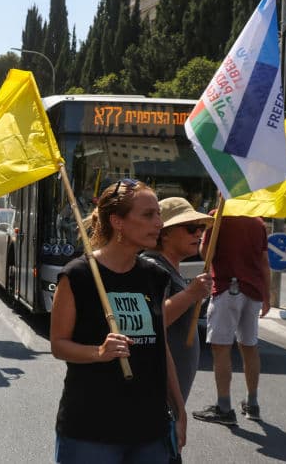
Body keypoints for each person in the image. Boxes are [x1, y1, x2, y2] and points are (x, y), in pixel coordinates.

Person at [50, 179, 186, 463]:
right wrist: (98, 352)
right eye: (148, 215)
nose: (159, 223)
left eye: (158, 214)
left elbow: (161, 349)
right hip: (90, 430)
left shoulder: (156, 277)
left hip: (150, 430)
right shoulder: (78, 275)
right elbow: (59, 345)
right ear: (117, 222)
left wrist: (179, 409)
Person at [192, 214, 270, 425]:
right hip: (253, 292)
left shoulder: (218, 216)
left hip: (226, 289)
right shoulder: (258, 222)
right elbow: (264, 263)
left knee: (221, 348)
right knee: (249, 346)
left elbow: (206, 253)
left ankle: (224, 408)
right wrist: (267, 297)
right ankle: (252, 403)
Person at [141, 197, 213, 402]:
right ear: (165, 233)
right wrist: (191, 294)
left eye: (200, 228)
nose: (198, 233)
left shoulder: (168, 268)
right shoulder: (152, 267)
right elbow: (151, 321)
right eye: (191, 228)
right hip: (158, 390)